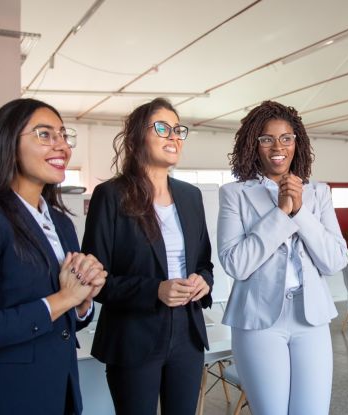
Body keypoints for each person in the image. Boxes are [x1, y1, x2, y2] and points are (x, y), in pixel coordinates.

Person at [0, 98, 107, 414]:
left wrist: (83, 303)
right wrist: (65, 299)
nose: (61, 147)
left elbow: (64, 323)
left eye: (63, 136)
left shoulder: (60, 222)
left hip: (59, 393)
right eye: (44, 135)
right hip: (1, 398)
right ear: (7, 143)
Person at [81, 98, 214, 415]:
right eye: (162, 127)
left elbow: (204, 265)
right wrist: (155, 290)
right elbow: (94, 281)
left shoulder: (190, 196)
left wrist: (203, 282)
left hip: (187, 334)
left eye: (178, 129)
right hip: (134, 335)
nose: (174, 136)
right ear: (138, 136)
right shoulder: (111, 195)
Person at [218, 100, 348, 415]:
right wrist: (281, 214)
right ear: (254, 145)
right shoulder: (235, 194)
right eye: (267, 138)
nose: (278, 146)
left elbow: (334, 260)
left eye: (286, 138)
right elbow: (236, 263)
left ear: (296, 143)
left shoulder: (318, 193)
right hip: (258, 321)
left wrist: (301, 211)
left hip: (311, 316)